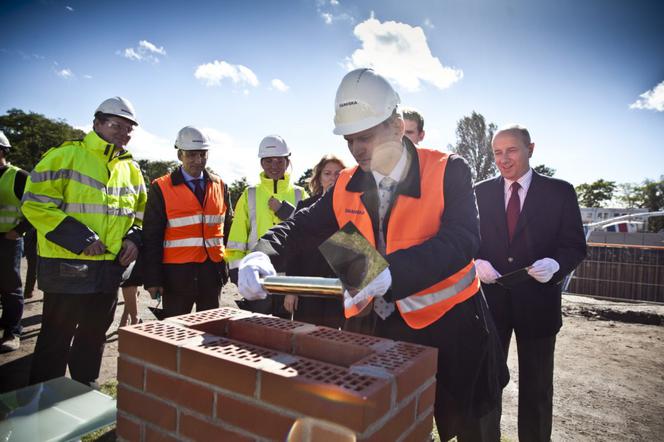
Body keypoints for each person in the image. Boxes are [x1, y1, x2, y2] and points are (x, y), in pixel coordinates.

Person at [238, 68, 508, 440]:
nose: (357, 149)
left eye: (366, 137)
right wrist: (261, 253)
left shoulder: (446, 169)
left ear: (397, 126)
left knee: (470, 429)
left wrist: (392, 272)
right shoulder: (347, 182)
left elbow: (463, 240)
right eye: (350, 139)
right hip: (380, 332)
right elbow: (301, 226)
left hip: (455, 331)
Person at [22, 97, 147, 386]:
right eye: (116, 125)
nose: (123, 133)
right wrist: (80, 238)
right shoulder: (64, 156)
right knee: (56, 336)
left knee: (93, 336)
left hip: (108, 269)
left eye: (128, 129)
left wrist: (134, 239)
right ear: (97, 123)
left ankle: (83, 392)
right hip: (67, 266)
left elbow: (140, 215)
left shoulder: (131, 169)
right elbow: (35, 204)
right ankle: (44, 399)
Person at [474, 125, 587, 441]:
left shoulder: (560, 191)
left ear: (530, 149)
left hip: (538, 306)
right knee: (487, 384)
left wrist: (556, 265)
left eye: (511, 150)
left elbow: (575, 245)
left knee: (537, 391)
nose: (503, 159)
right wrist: (475, 262)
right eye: (497, 152)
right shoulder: (479, 191)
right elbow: (468, 240)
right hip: (490, 305)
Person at [143, 126, 233, 318]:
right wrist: (153, 278)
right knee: (174, 332)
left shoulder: (220, 185)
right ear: (179, 154)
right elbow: (151, 235)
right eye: (191, 155)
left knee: (210, 330)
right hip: (176, 275)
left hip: (212, 273)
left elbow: (229, 230)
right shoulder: (161, 187)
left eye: (203, 154)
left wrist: (227, 268)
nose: (198, 161)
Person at [226, 135, 307, 314]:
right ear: (262, 163)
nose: (274, 166)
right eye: (269, 161)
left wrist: (286, 211)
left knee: (285, 333)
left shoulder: (300, 194)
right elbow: (237, 236)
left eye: (280, 161)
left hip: (289, 278)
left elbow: (308, 230)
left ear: (287, 162)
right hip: (257, 276)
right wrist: (236, 269)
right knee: (257, 331)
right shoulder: (250, 194)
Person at [283, 154, 346, 328]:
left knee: (333, 342)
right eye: (327, 173)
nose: (333, 178)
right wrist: (291, 289)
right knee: (306, 338)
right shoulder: (305, 206)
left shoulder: (351, 208)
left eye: (338, 174)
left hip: (338, 286)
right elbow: (293, 249)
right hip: (308, 285)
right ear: (319, 178)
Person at [0, 131, 30, 352]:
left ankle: (12, 332)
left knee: (10, 288)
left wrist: (19, 230)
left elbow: (35, 208)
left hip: (8, 240)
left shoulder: (18, 176)